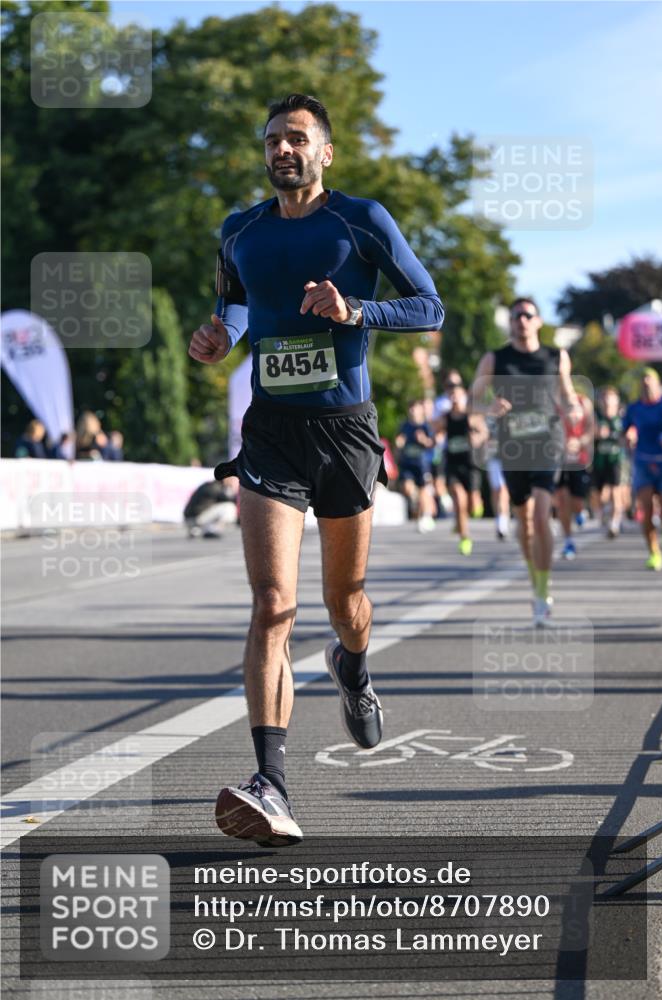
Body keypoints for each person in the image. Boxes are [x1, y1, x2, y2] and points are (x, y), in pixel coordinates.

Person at [188, 93, 444, 846]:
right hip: (270, 432)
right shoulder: (240, 230)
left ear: (324, 152)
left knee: (346, 604)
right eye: (272, 139)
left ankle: (352, 666)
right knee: (272, 604)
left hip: (344, 432)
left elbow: (428, 306)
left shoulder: (359, 220)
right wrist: (218, 336)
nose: (281, 150)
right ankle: (271, 780)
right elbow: (237, 304)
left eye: (296, 138)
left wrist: (355, 310)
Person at [471, 297, 581, 626]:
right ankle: (536, 581)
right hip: (513, 447)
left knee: (541, 513)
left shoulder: (556, 356)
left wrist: (574, 408)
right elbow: (472, 399)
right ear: (511, 322)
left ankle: (542, 593)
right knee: (524, 521)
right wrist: (488, 408)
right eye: (517, 315)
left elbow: (567, 393)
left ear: (538, 321)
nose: (521, 320)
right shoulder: (495, 358)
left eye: (527, 315)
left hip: (548, 442)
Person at [623, 367, 662, 570]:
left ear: (658, 385)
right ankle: (654, 553)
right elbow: (626, 429)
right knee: (646, 510)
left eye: (651, 383)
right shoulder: (634, 408)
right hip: (643, 461)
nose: (647, 387)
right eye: (644, 383)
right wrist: (629, 436)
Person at [440, 384, 485, 555]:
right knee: (459, 499)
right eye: (450, 395)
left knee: (473, 505)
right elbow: (434, 430)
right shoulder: (445, 418)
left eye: (457, 395)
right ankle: (465, 537)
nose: (454, 398)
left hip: (470, 464)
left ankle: (474, 502)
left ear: (463, 396)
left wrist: (477, 438)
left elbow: (484, 433)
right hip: (453, 464)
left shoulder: (471, 416)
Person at [554, 389, 594, 560]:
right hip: (557, 458)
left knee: (576, 501)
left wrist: (579, 442)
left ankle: (580, 512)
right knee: (562, 499)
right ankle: (568, 541)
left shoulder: (583, 401)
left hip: (578, 458)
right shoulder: (551, 401)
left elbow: (592, 430)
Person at [395, 399, 436, 532]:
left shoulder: (426, 426)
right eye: (411, 408)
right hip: (407, 463)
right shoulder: (405, 426)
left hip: (422, 464)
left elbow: (431, 444)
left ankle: (425, 517)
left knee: (424, 490)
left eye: (415, 408)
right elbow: (398, 441)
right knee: (407, 488)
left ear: (421, 410)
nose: (412, 411)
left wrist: (424, 440)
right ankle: (415, 500)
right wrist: (398, 445)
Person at [591, 386, 625, 538]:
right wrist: (595, 433)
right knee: (599, 495)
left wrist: (628, 436)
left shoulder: (621, 417)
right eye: (604, 398)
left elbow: (629, 434)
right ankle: (604, 511)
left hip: (615, 460)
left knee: (616, 492)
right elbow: (587, 434)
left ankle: (614, 524)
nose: (607, 401)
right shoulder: (596, 417)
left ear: (616, 400)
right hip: (598, 460)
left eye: (610, 398)